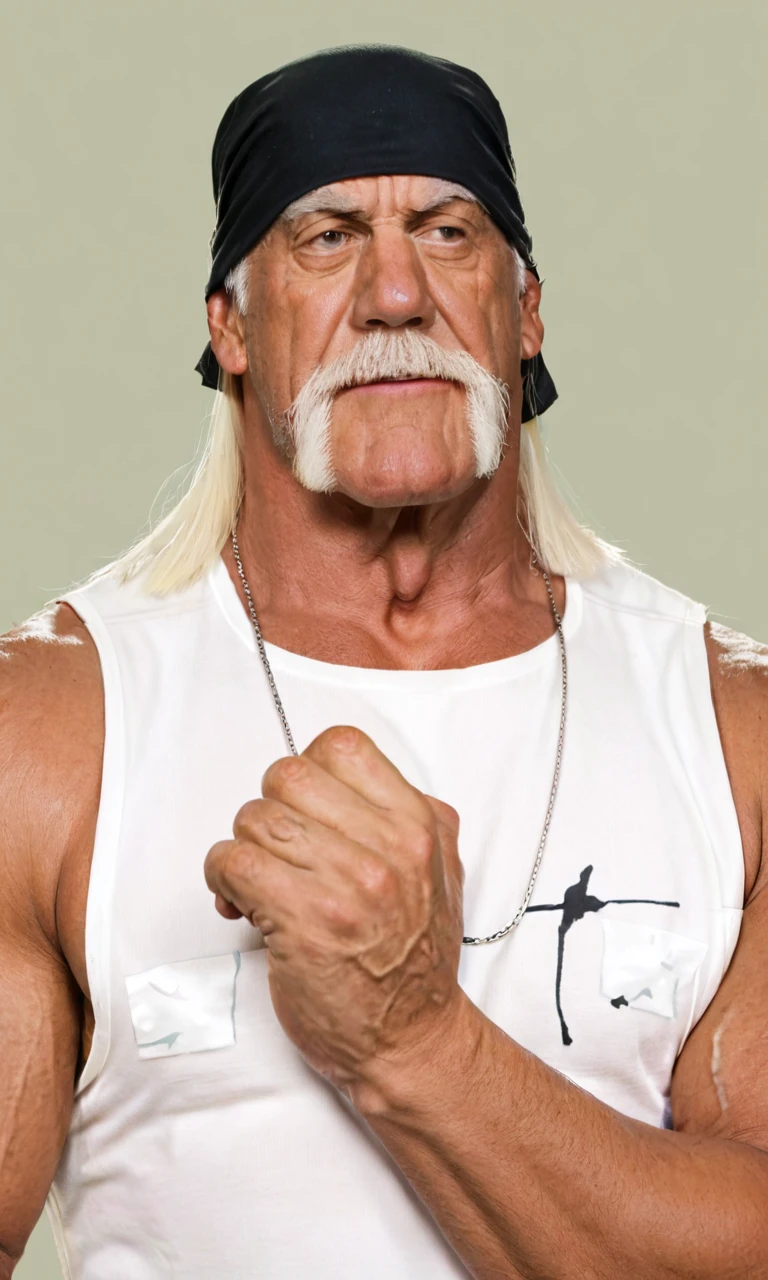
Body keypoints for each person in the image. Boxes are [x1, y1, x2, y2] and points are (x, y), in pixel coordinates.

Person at [1, 43, 766, 1279]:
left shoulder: (735, 730)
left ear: (526, 311)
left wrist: (411, 1038)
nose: (396, 294)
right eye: (325, 237)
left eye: (450, 233)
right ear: (230, 324)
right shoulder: (45, 730)